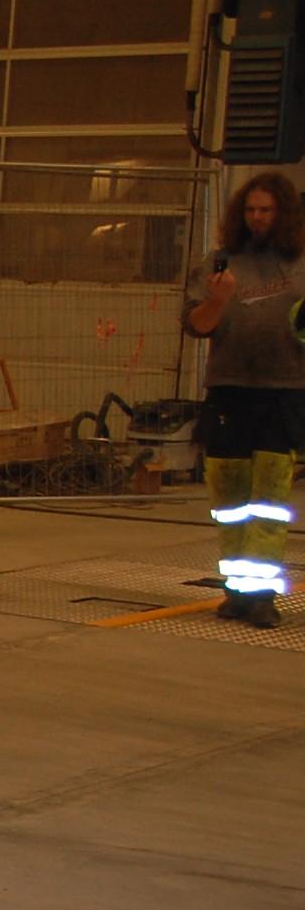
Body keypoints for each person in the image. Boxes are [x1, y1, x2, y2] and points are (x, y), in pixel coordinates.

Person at [185, 171, 303, 626]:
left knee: (269, 501)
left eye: (266, 210)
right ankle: (236, 590)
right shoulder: (218, 264)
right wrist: (218, 299)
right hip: (229, 392)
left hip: (284, 393)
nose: (257, 218)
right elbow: (196, 325)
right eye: (251, 209)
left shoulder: (300, 263)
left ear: (283, 213)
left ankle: (261, 596)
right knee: (230, 502)